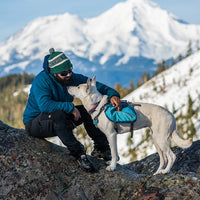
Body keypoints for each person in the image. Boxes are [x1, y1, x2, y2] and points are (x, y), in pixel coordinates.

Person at [23, 48, 122, 171]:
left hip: (61, 119)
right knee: (58, 114)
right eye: (64, 73)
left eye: (70, 70)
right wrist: (70, 107)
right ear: (54, 73)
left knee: (88, 110)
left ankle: (101, 148)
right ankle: (79, 154)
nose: (68, 74)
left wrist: (113, 95)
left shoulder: (72, 78)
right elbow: (45, 105)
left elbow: (95, 86)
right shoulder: (42, 81)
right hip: (36, 124)